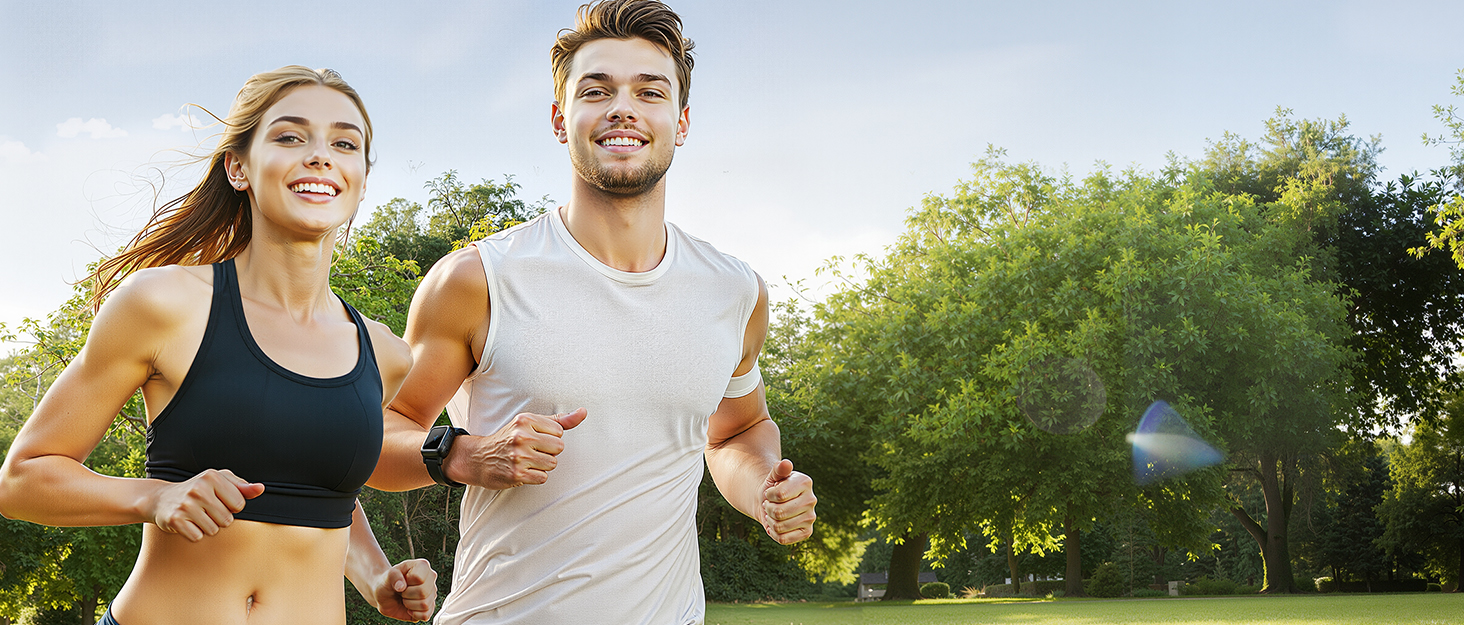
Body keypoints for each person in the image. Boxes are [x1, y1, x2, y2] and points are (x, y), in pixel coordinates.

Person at [365, 1, 817, 623]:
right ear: (561, 119)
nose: (622, 108)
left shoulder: (735, 291)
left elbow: (736, 432)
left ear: (681, 121)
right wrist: (465, 454)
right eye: (596, 90)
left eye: (649, 92)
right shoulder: (476, 281)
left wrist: (764, 488)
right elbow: (373, 440)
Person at [0, 66, 437, 624]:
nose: (321, 155)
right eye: (289, 136)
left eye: (344, 143)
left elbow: (325, 494)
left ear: (360, 178)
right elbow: (23, 479)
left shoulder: (384, 352)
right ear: (238, 168)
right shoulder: (164, 304)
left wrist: (377, 575)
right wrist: (154, 497)